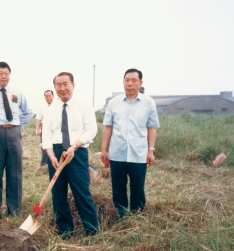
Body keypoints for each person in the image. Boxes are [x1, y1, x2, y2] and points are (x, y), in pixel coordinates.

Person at [42, 72, 99, 239]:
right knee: (58, 194)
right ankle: (65, 232)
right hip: (56, 153)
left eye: (65, 84)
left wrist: (74, 146)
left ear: (73, 85)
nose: (62, 88)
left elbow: (91, 130)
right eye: (58, 85)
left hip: (77, 153)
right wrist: (51, 156)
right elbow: (46, 136)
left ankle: (92, 232)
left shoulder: (84, 106)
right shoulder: (51, 110)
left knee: (81, 192)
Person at [100, 69, 160, 218]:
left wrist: (150, 150)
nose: (130, 84)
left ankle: (136, 217)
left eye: (134, 80)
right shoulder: (114, 103)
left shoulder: (148, 103)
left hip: (138, 153)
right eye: (127, 80)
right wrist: (103, 150)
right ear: (123, 82)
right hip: (117, 153)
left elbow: (151, 128)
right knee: (118, 188)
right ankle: (121, 216)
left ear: (140, 83)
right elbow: (108, 127)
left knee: (137, 189)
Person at [0, 62, 33, 217]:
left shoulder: (17, 93)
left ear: (10, 75)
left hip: (13, 135)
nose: (4, 76)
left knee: (15, 173)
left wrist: (17, 127)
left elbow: (28, 112)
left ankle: (14, 211)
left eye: (6, 73)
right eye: (0, 73)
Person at [35, 90, 54, 167]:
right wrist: (37, 129)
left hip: (54, 129)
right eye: (46, 96)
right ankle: (44, 164)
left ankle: (53, 162)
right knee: (44, 146)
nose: (48, 98)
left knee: (54, 146)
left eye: (49, 96)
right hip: (45, 129)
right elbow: (39, 120)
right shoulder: (42, 108)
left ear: (53, 96)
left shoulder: (58, 106)